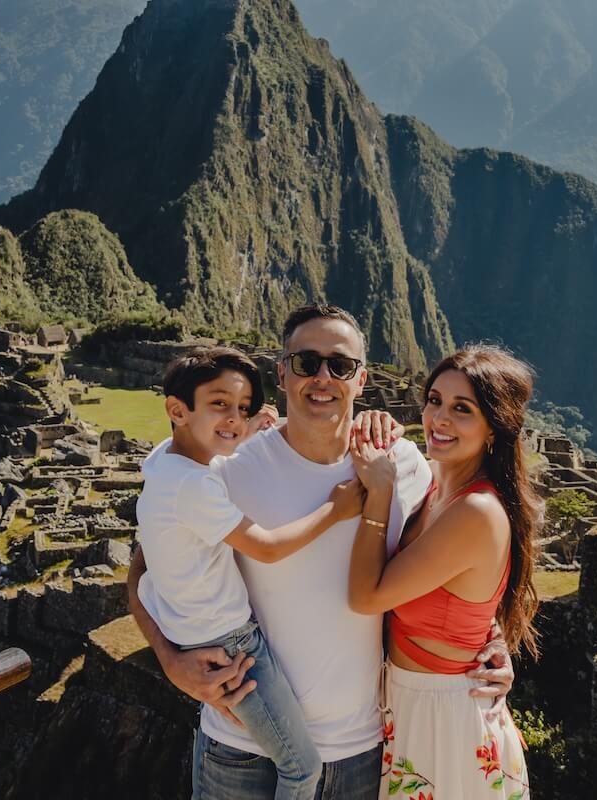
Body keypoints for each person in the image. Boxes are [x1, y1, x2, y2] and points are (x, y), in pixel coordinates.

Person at [126, 304, 516, 800]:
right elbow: (145, 568)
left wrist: (488, 640)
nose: (323, 378)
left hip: (360, 750)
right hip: (240, 746)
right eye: (307, 362)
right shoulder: (228, 469)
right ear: (282, 372)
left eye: (341, 365)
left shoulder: (402, 466)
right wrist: (169, 659)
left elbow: (453, 563)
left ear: (361, 379)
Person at [135, 346, 366, 799]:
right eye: (220, 404)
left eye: (242, 408)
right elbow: (266, 547)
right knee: (301, 768)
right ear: (177, 410)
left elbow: (209, 449)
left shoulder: (165, 461)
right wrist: (335, 510)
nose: (235, 419)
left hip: (194, 633)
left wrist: (244, 431)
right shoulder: (195, 486)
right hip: (233, 648)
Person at [348, 345, 542, 800]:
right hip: (413, 705)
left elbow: (366, 597)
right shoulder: (435, 487)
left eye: (462, 409)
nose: (439, 418)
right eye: (435, 400)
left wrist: (379, 495)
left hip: (445, 720)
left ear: (494, 427)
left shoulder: (476, 511)